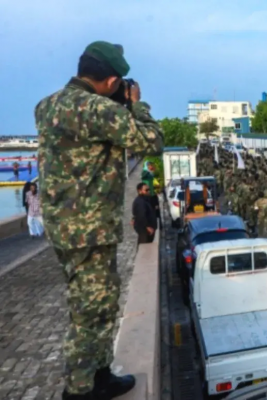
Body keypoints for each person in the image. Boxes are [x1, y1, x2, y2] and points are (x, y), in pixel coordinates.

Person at [35, 41, 164, 400]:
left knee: (99, 302)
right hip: (89, 228)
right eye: (118, 82)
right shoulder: (98, 110)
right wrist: (136, 105)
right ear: (110, 81)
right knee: (91, 311)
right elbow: (152, 141)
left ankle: (100, 374)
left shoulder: (46, 106)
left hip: (64, 226)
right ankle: (79, 389)